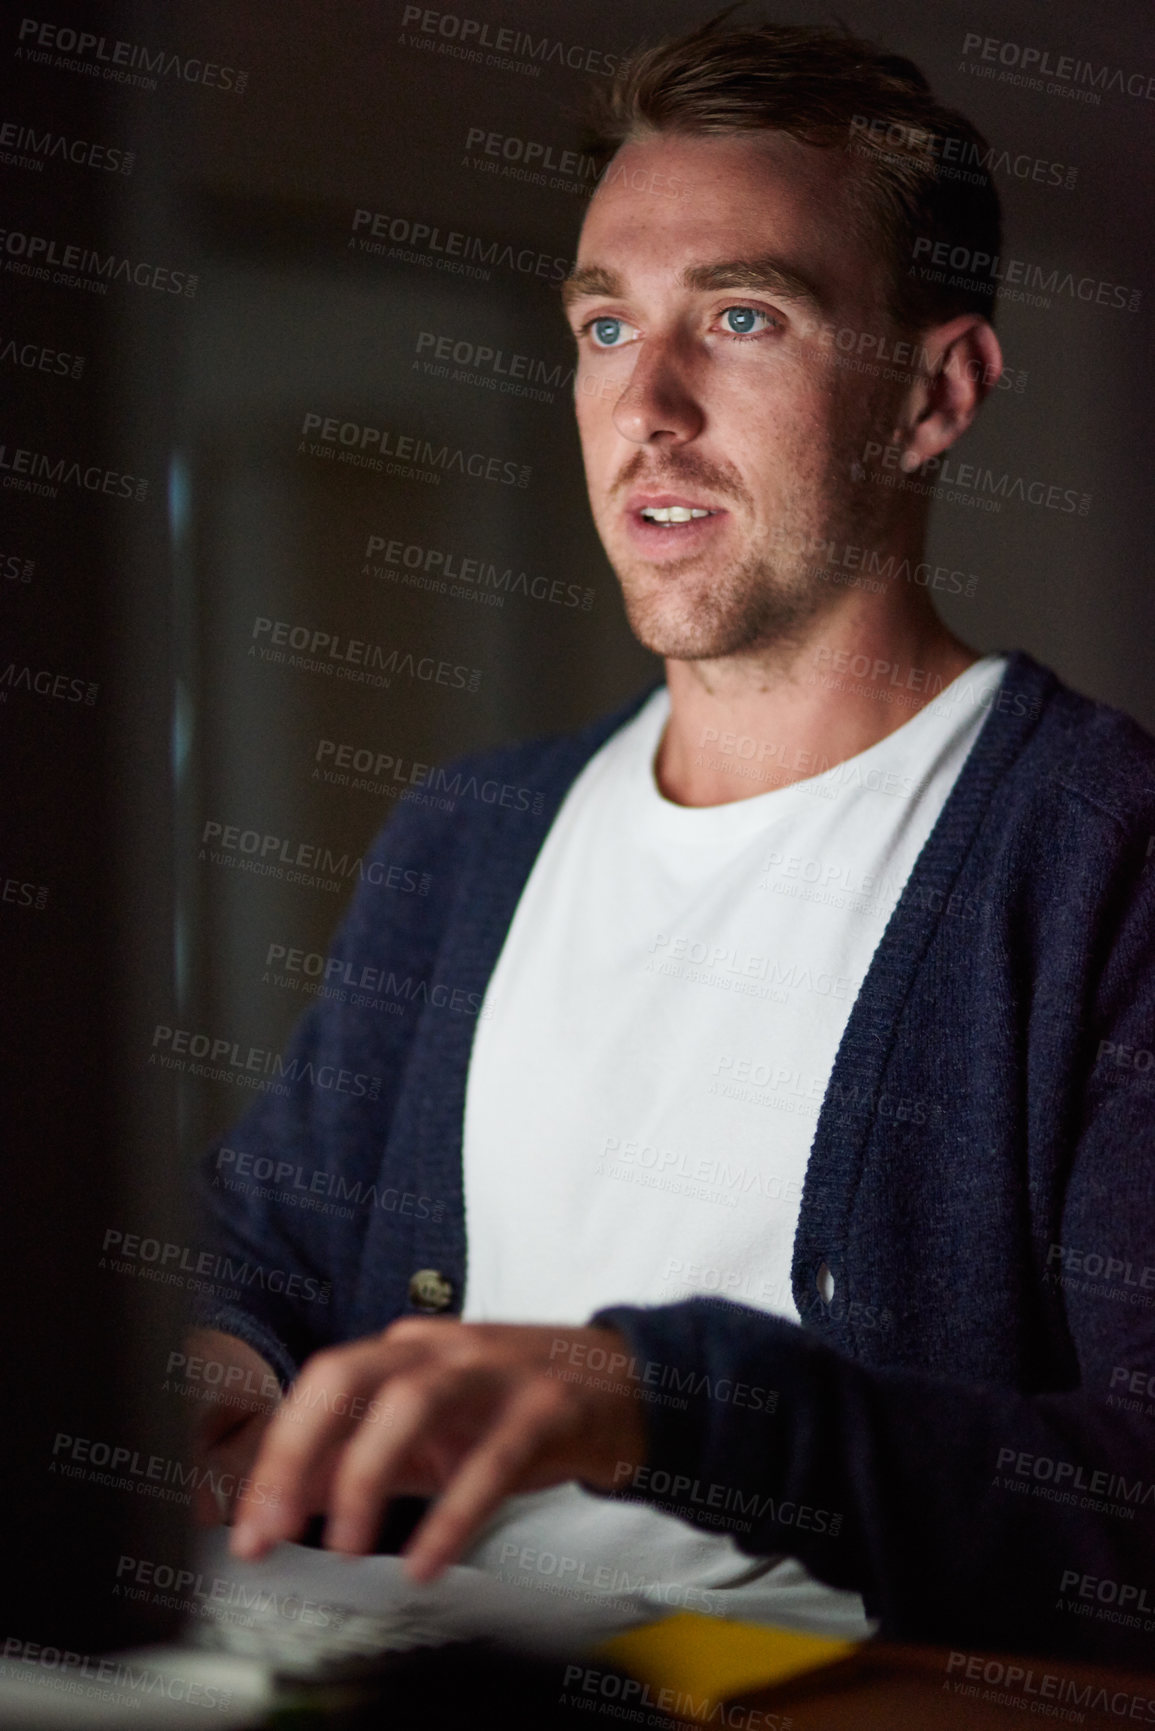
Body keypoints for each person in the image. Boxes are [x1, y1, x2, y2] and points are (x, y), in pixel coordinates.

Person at [189, 17, 1155, 1665]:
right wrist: (211, 1366)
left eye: (743, 318)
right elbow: (262, 1251)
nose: (648, 402)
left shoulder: (1101, 863)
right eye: (603, 324)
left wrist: (656, 1401)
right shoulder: (466, 841)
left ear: (935, 395)